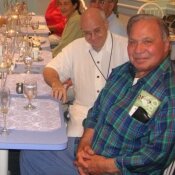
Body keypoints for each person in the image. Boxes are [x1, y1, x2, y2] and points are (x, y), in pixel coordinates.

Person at [20, 8, 128, 175]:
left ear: (106, 24)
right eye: (87, 33)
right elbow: (50, 69)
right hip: (79, 127)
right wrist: (56, 83)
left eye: (97, 31)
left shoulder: (127, 48)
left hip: (111, 129)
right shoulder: (77, 47)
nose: (92, 38)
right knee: (30, 152)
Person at [75, 14, 175, 175]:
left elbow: (156, 155)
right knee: (33, 156)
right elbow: (96, 112)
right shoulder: (122, 72)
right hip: (90, 156)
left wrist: (104, 166)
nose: (138, 50)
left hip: (116, 170)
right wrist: (84, 145)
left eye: (147, 42)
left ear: (166, 45)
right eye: (132, 42)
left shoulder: (168, 94)